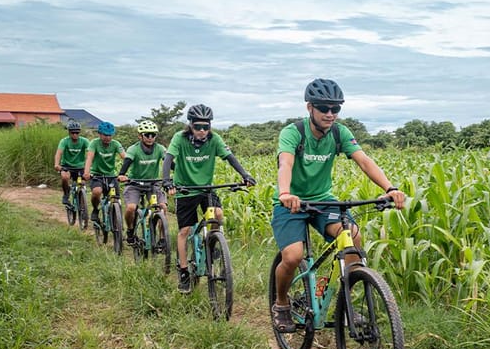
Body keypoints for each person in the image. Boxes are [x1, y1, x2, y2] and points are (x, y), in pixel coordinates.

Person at [270, 78, 406, 333]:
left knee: (352, 238)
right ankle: (281, 304)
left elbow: (364, 160)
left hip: (323, 200)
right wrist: (286, 193)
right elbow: (285, 163)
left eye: (336, 109)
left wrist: (390, 188)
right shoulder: (293, 133)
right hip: (291, 203)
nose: (331, 114)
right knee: (293, 256)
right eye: (324, 108)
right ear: (310, 107)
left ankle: (345, 306)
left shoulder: (339, 132)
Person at [162, 104, 256, 293]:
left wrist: (245, 175)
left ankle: (212, 244)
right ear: (190, 125)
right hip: (186, 189)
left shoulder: (214, 139)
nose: (202, 131)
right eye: (198, 127)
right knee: (185, 231)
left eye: (206, 127)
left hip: (206, 188)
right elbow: (168, 159)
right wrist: (167, 181)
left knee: (218, 215)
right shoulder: (179, 139)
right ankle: (183, 271)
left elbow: (230, 157)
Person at [118, 120, 167, 244]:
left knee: (162, 207)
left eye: (153, 135)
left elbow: (169, 163)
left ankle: (162, 238)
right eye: (147, 135)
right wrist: (122, 174)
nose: (150, 138)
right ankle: (130, 230)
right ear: (140, 136)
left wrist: (178, 173)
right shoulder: (134, 149)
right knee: (130, 208)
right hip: (135, 184)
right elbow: (127, 162)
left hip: (152, 184)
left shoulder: (160, 148)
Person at [83, 121, 126, 224]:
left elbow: (125, 157)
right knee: (97, 192)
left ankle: (118, 225)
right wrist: (86, 172)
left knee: (116, 200)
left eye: (110, 135)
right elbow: (89, 158)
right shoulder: (94, 143)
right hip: (97, 175)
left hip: (111, 175)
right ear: (100, 134)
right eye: (105, 135)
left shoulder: (116, 144)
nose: (108, 137)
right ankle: (95, 209)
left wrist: (127, 172)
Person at [53, 120, 89, 204]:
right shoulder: (64, 141)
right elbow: (59, 153)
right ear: (69, 132)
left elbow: (90, 154)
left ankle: (82, 204)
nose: (75, 134)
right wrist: (56, 164)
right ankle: (66, 193)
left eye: (77, 132)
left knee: (82, 183)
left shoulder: (84, 141)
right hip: (67, 166)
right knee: (65, 178)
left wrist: (89, 167)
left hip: (80, 166)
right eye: (72, 133)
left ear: (79, 132)